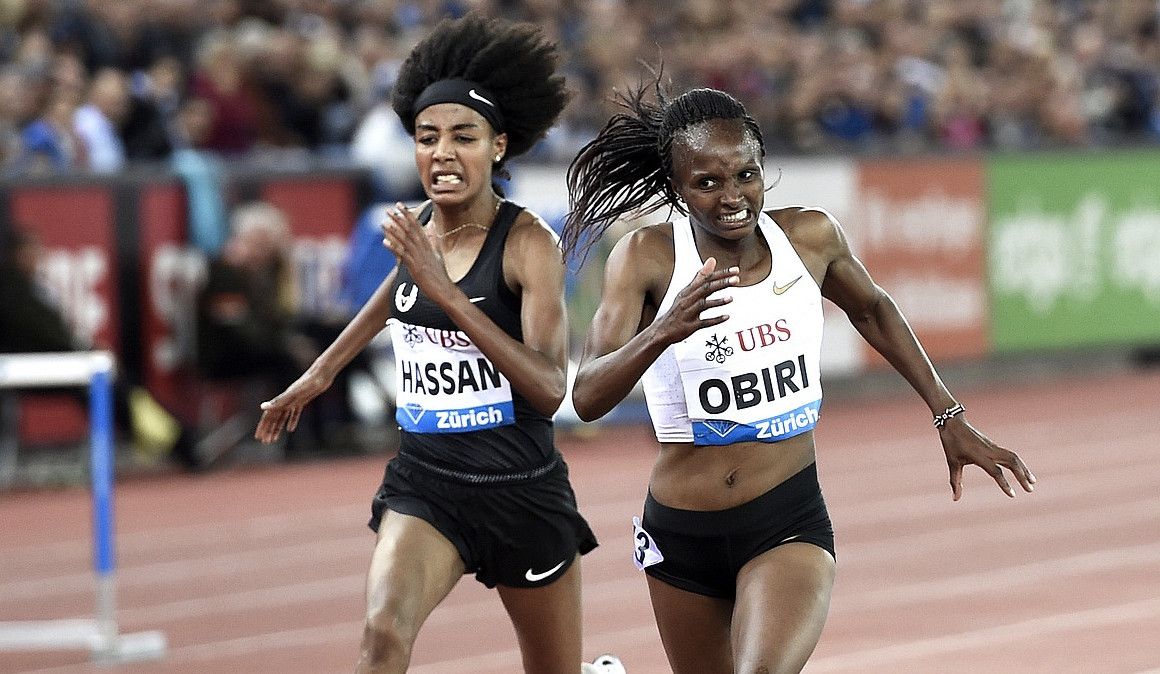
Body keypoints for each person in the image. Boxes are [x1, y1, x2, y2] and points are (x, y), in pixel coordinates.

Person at [560, 78, 1037, 674]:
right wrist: (664, 329)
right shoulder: (647, 257)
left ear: (763, 169)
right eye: (706, 183)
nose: (732, 196)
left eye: (745, 175)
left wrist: (949, 414)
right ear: (678, 188)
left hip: (783, 519)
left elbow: (873, 308)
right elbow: (588, 397)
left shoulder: (809, 237)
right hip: (680, 531)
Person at [254, 14, 623, 674]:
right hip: (428, 485)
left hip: (521, 489)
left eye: (463, 136)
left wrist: (449, 296)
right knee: (380, 640)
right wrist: (320, 373)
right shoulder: (420, 228)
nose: (442, 152)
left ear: (499, 146)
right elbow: (392, 298)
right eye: (427, 138)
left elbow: (548, 387)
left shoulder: (529, 243)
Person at [0, 226, 201, 471]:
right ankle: (178, 442)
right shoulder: (11, 289)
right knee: (108, 387)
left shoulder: (33, 287)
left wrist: (87, 350)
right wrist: (85, 351)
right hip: (29, 369)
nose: (40, 256)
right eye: (33, 251)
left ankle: (173, 437)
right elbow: (44, 335)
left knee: (121, 385)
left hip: (60, 363)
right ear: (17, 254)